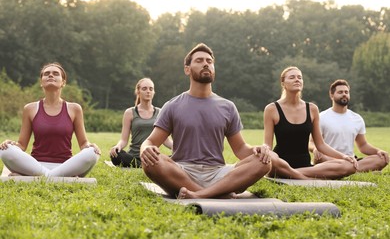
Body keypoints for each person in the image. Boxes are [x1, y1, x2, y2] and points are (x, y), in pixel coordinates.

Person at [140, 43, 272, 199]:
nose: (205, 64)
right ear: (187, 69)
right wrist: (145, 149)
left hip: (218, 173)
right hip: (182, 172)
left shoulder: (228, 107)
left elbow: (240, 148)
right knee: (151, 162)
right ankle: (216, 194)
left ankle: (200, 195)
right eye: (199, 60)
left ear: (214, 68)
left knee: (264, 162)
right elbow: (150, 141)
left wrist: (257, 150)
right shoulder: (172, 106)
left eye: (209, 61)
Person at [0, 62, 100, 177]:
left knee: (92, 153)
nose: (50, 75)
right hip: (35, 165)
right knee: (5, 151)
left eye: (55, 73)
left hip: (66, 166)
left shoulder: (75, 108)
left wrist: (90, 146)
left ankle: (36, 178)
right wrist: (10, 144)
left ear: (63, 82)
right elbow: (22, 145)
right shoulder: (30, 108)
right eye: (46, 73)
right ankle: (58, 178)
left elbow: (83, 143)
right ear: (41, 82)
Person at [263, 66, 358, 179]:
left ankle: (293, 174)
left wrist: (343, 157)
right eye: (292, 77)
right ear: (283, 83)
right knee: (272, 157)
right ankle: (299, 176)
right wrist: (264, 150)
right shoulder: (271, 109)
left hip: (305, 165)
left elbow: (321, 145)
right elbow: (267, 145)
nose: (297, 80)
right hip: (280, 162)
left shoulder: (312, 109)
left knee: (349, 165)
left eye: (299, 77)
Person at [309, 79, 389, 171]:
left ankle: (346, 169)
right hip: (329, 160)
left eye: (346, 92)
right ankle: (350, 169)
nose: (344, 94)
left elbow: (363, 146)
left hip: (351, 160)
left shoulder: (357, 118)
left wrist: (378, 151)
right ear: (331, 95)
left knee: (382, 159)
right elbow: (311, 143)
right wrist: (315, 149)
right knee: (320, 157)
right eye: (340, 92)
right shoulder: (321, 117)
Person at [109, 78, 172, 168]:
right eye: (144, 88)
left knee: (177, 158)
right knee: (115, 154)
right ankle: (145, 166)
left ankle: (147, 165)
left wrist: (179, 148)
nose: (148, 91)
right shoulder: (129, 113)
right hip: (133, 157)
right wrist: (117, 146)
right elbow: (124, 140)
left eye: (151, 89)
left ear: (154, 92)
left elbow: (166, 140)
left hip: (152, 157)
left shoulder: (160, 112)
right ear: (138, 91)